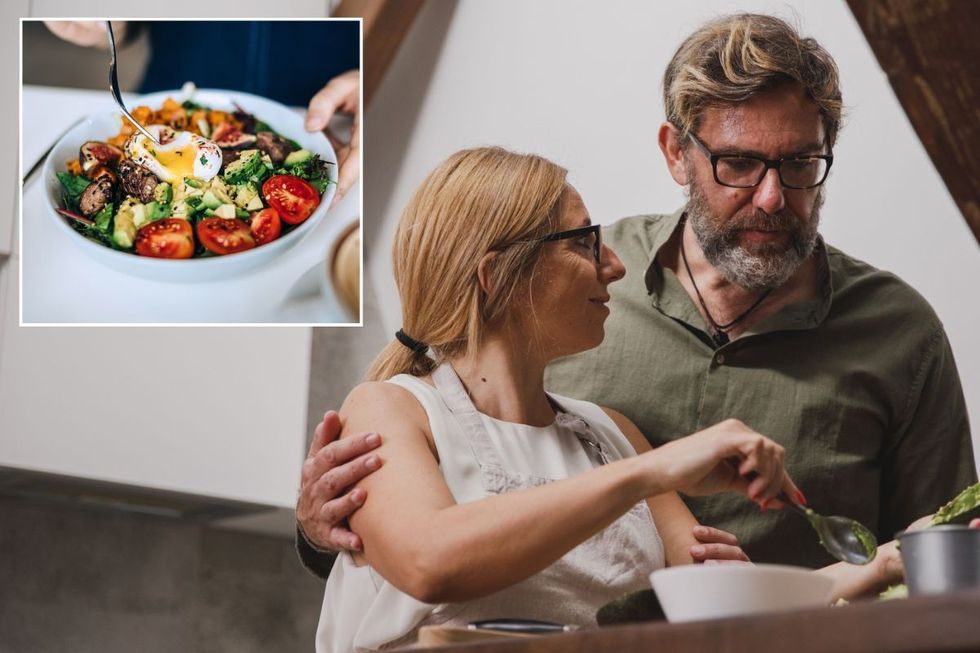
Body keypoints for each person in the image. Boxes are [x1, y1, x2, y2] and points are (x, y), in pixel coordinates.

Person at [297, 12, 975, 571]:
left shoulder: (899, 332)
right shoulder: (561, 280)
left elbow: (946, 560)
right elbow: (427, 492)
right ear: (676, 153)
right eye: (738, 163)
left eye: (800, 163)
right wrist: (325, 529)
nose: (773, 196)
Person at [308, 146, 899, 651]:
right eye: (585, 243)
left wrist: (892, 561)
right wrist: (650, 472)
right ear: (497, 274)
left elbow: (727, 614)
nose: (614, 265)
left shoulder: (611, 435)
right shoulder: (391, 408)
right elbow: (430, 562)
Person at [44, 20, 361, 206]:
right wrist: (106, 24)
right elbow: (128, 22)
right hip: (168, 89)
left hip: (324, 109)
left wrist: (369, 81)